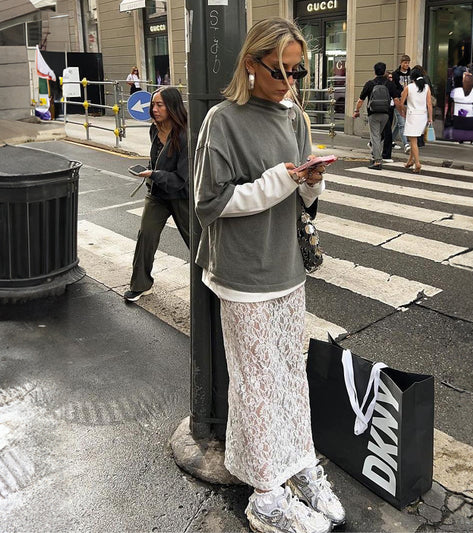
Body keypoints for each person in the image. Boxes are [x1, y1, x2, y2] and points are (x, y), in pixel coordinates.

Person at [194, 17, 345, 533]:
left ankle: (298, 465)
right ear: (251, 65)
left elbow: (302, 202)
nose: (290, 81)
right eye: (280, 70)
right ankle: (265, 495)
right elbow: (208, 203)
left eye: (297, 70)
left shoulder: (295, 117)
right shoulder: (222, 120)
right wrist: (282, 180)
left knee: (288, 379)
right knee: (257, 385)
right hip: (241, 273)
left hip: (287, 267)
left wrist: (311, 183)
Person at [124, 87, 190, 302]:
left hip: (182, 195)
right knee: (146, 235)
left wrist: (154, 173)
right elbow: (156, 159)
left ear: (172, 106)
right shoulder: (155, 129)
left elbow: (181, 178)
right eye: (153, 104)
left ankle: (210, 287)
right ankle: (141, 284)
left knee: (197, 243)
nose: (154, 109)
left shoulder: (186, 135)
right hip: (158, 193)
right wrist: (151, 172)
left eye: (159, 105)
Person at [353, 62, 399, 170]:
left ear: (374, 71)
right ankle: (375, 154)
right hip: (386, 115)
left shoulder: (370, 84)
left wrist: (356, 110)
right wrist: (402, 111)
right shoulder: (389, 84)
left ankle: (377, 161)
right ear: (384, 72)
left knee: (375, 136)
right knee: (378, 136)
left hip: (373, 114)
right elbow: (396, 100)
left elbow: (360, 100)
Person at [400, 68, 433, 173]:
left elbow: (401, 103)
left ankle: (417, 163)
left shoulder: (408, 87)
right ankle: (410, 161)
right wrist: (430, 117)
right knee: (413, 140)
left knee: (413, 141)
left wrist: (403, 112)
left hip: (412, 116)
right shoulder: (426, 87)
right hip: (422, 116)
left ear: (412, 78)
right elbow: (429, 104)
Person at [392, 54, 411, 152]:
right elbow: (394, 88)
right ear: (401, 63)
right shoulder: (395, 74)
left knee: (399, 123)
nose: (407, 65)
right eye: (405, 63)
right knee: (402, 123)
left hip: (409, 100)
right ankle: (406, 144)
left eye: (408, 63)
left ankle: (390, 140)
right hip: (399, 100)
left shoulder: (411, 73)